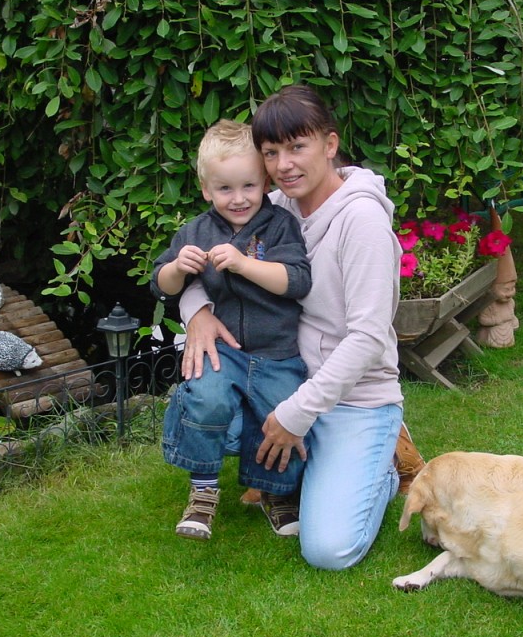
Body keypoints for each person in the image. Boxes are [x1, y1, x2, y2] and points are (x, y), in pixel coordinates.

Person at [179, 85, 422, 570]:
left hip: (352, 398)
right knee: (202, 403)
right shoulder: (271, 207)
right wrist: (198, 314)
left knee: (328, 549)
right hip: (279, 378)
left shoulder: (362, 222)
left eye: (297, 147)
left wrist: (295, 414)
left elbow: (368, 338)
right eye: (271, 153)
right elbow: (197, 266)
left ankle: (389, 462)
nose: (284, 165)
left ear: (330, 145)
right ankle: (303, 467)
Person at [151, 119, 312, 541]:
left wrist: (244, 264)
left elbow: (297, 280)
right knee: (206, 398)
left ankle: (276, 493)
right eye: (225, 188)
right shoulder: (196, 231)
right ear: (206, 189)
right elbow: (161, 285)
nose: (238, 199)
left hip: (277, 352)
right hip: (224, 349)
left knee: (278, 417)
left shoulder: (280, 225)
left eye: (249, 186)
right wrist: (176, 267)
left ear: (265, 183)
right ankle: (203, 490)